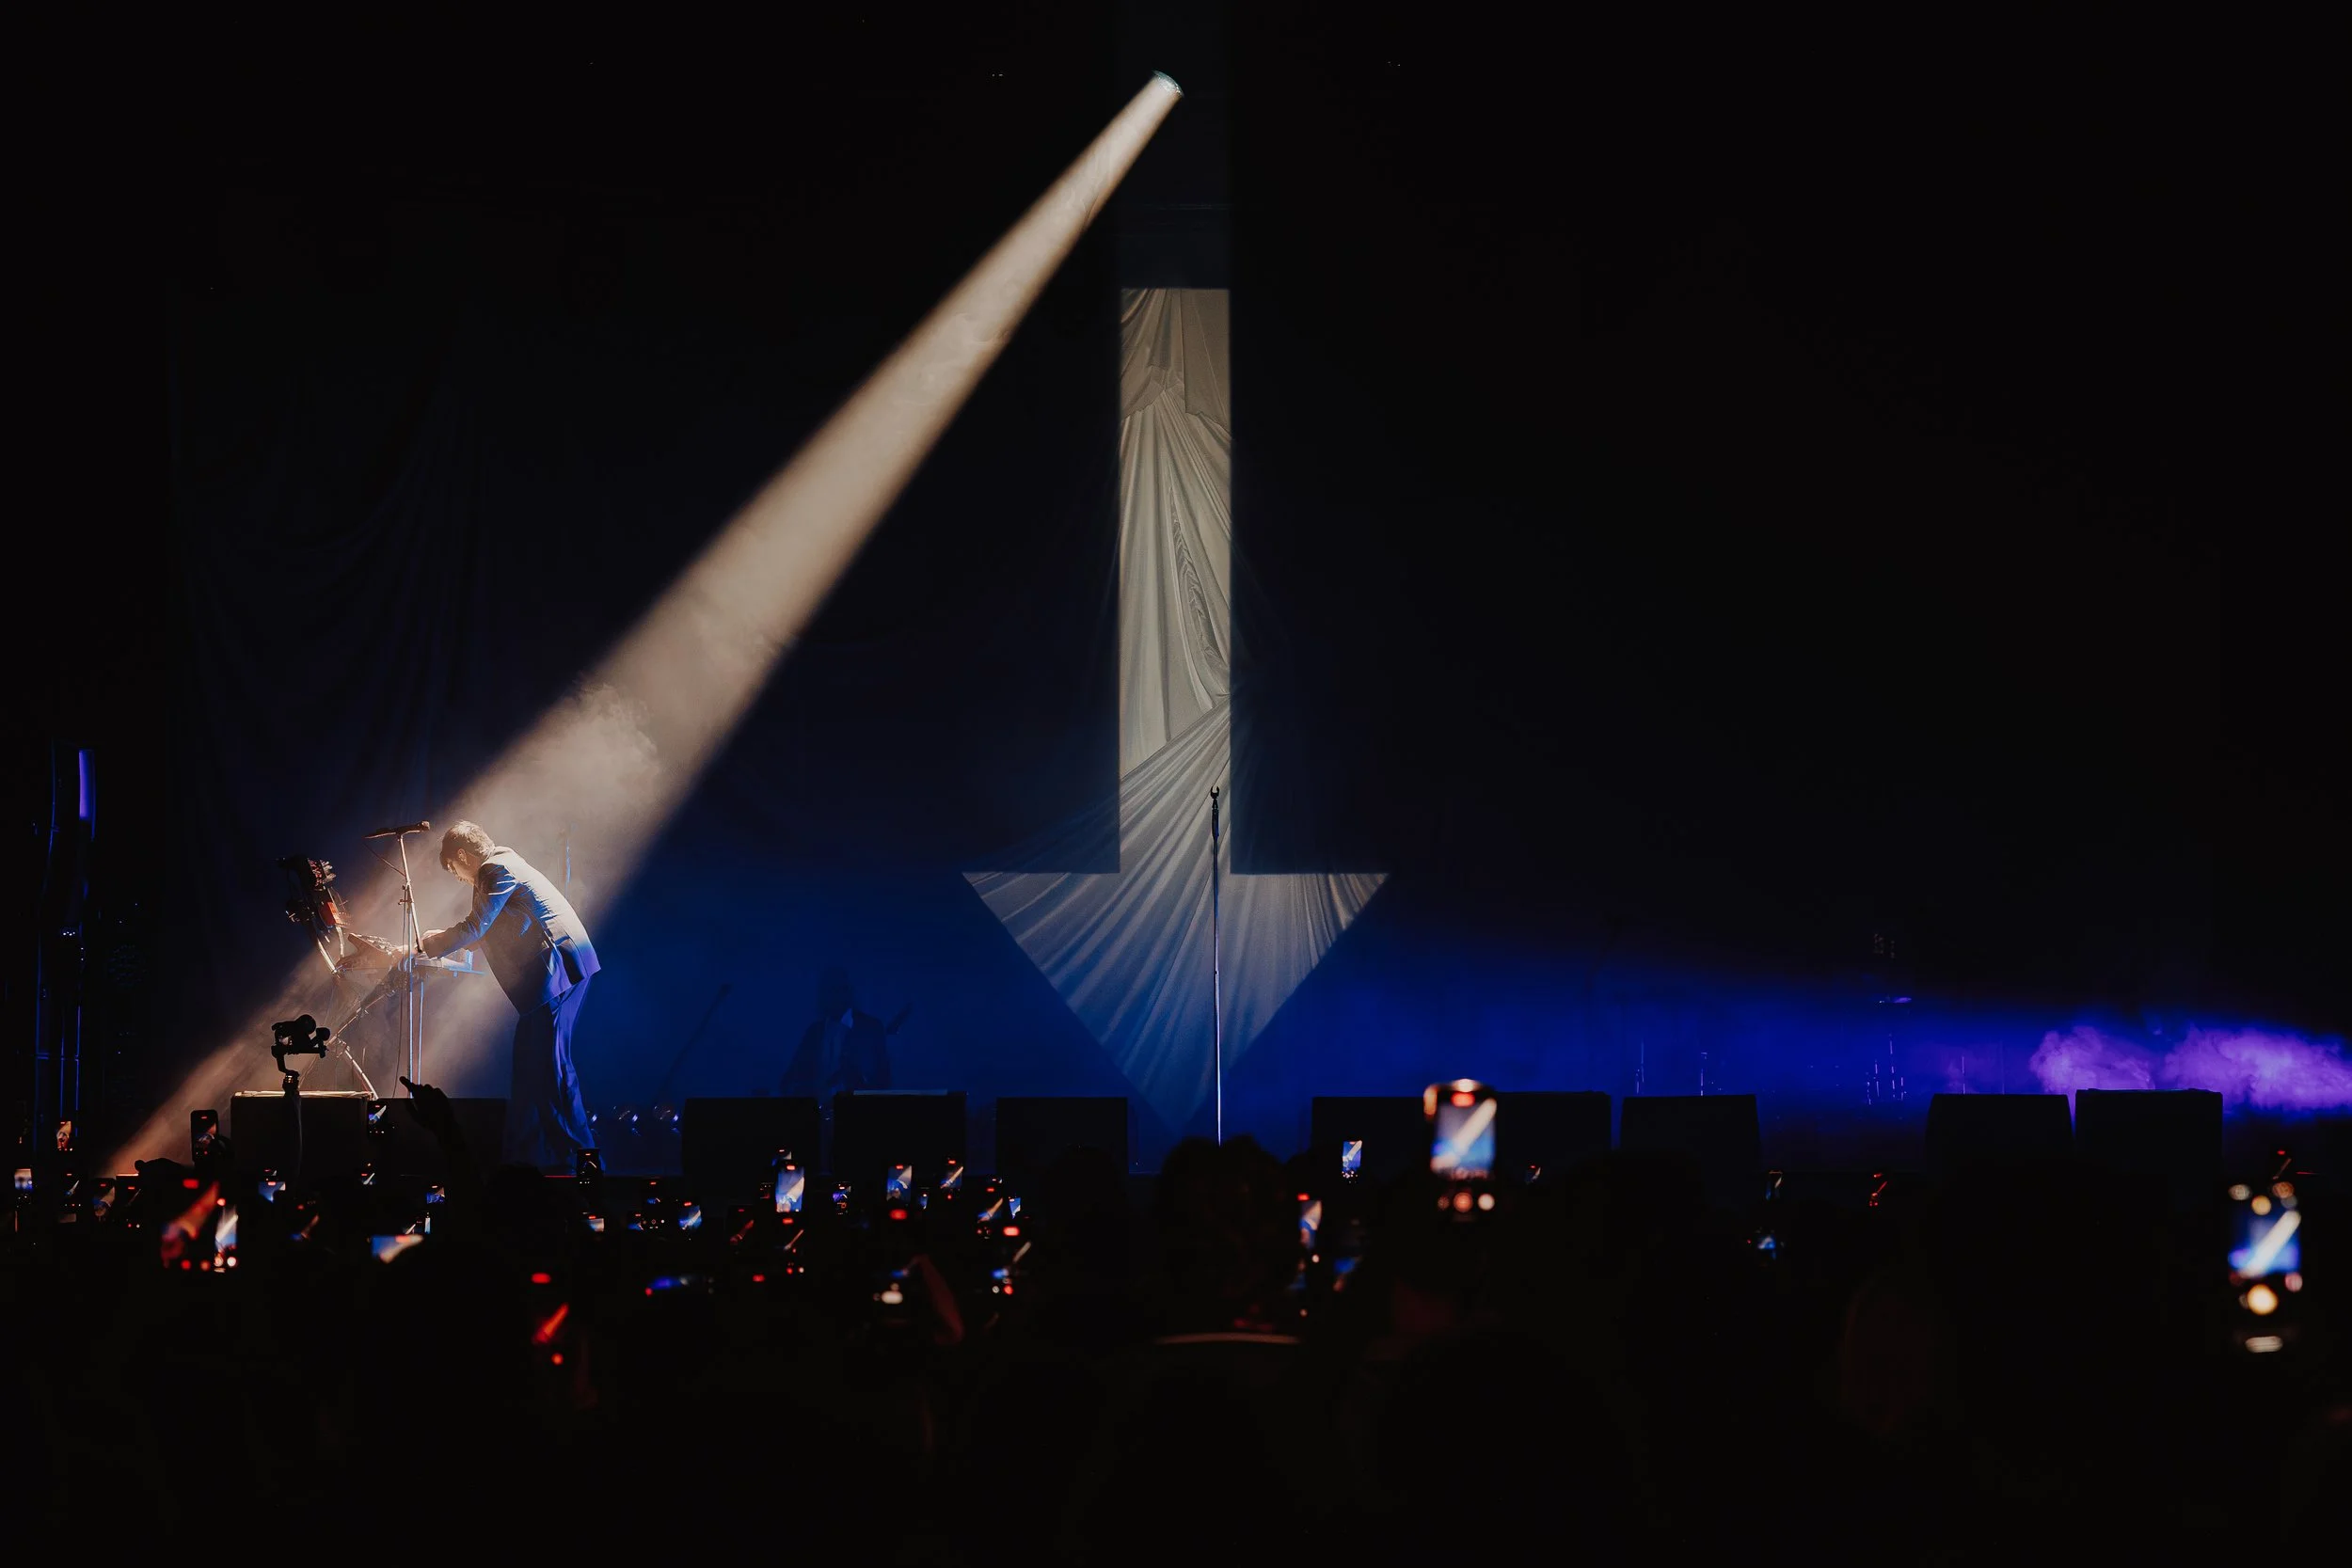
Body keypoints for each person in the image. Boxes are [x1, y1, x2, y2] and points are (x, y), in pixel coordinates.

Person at [419, 820, 600, 1170]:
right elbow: (497, 927)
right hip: (557, 973)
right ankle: (531, 1162)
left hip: (559, 972)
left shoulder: (495, 867)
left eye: (453, 869)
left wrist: (423, 945)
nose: (456, 877)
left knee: (552, 1069)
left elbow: (476, 926)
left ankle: (583, 1163)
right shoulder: (504, 865)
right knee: (531, 1066)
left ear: (462, 855)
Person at [781, 966, 894, 1100]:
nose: (837, 996)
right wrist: (813, 1087)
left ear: (850, 992)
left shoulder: (870, 1028)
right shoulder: (814, 1032)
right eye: (832, 990)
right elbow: (790, 1080)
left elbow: (883, 1080)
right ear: (823, 995)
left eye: (842, 989)